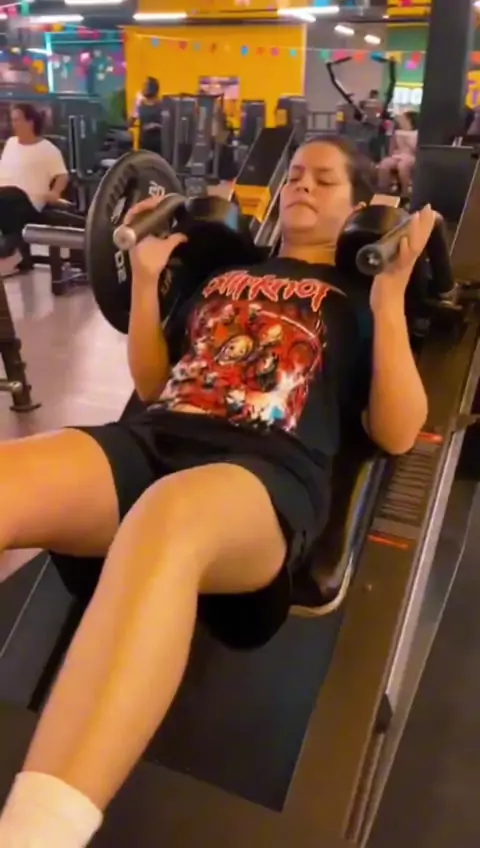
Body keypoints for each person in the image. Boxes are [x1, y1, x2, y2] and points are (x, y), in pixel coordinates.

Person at [0, 136, 433, 847]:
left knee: (166, 515)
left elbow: (397, 430)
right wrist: (147, 282)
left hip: (263, 471)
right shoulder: (226, 275)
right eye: (296, 175)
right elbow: (153, 385)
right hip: (155, 438)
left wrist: (389, 297)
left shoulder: (360, 295)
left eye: (324, 180)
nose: (301, 185)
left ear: (362, 207)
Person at [0, 103, 68, 266]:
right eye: (12, 120)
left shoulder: (48, 149)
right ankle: (12, 251)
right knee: (6, 197)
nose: (13, 124)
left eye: (17, 120)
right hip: (4, 198)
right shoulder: (11, 143)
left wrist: (55, 192)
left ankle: (11, 251)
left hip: (28, 201)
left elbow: (62, 175)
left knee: (11, 194)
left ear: (30, 122)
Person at [377, 110, 419, 197]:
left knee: (402, 166)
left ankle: (405, 191)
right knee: (384, 164)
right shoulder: (397, 132)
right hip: (399, 155)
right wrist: (392, 153)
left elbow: (417, 149)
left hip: (412, 156)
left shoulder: (417, 133)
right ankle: (383, 190)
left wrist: (407, 140)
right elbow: (392, 147)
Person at [130, 76, 162, 154]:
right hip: (144, 144)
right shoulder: (140, 105)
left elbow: (168, 125)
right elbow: (130, 122)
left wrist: (155, 125)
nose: (143, 88)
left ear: (152, 88)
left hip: (158, 145)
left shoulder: (162, 105)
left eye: (145, 85)